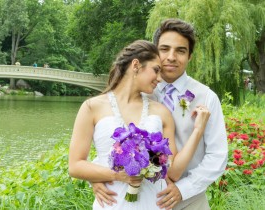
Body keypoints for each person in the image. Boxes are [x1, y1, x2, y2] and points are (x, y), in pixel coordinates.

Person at [92, 19, 228, 210]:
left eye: (180, 51)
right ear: (155, 52)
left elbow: (218, 156)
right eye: (164, 49)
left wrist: (183, 189)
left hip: (191, 200)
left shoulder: (207, 97)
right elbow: (110, 139)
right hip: (142, 200)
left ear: (190, 56)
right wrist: (96, 177)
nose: (171, 57)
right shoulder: (138, 91)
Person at [68, 40, 211, 210]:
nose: (159, 78)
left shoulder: (162, 112)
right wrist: (117, 175)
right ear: (136, 65)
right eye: (156, 70)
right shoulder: (91, 107)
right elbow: (75, 166)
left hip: (153, 203)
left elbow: (173, 171)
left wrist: (198, 131)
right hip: (111, 204)